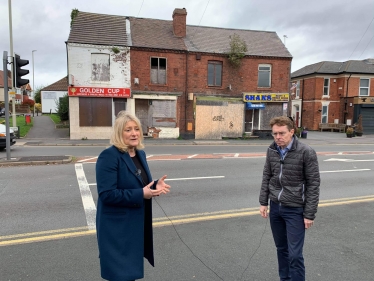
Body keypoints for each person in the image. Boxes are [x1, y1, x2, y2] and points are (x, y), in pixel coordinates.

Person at [96, 111, 171, 281]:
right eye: (128, 130)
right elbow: (106, 194)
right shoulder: (109, 156)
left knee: (130, 275)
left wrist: (154, 185)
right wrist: (141, 194)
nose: (134, 133)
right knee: (121, 275)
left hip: (135, 227)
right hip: (117, 230)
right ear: (119, 133)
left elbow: (138, 182)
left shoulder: (139, 154)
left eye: (136, 129)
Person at [259, 116, 320, 281]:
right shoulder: (272, 150)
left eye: (282, 133)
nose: (278, 137)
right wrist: (263, 202)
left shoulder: (306, 152)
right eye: (275, 133)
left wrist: (309, 214)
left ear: (292, 132)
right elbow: (267, 176)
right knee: (281, 249)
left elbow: (313, 184)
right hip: (276, 207)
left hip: (295, 209)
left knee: (294, 254)